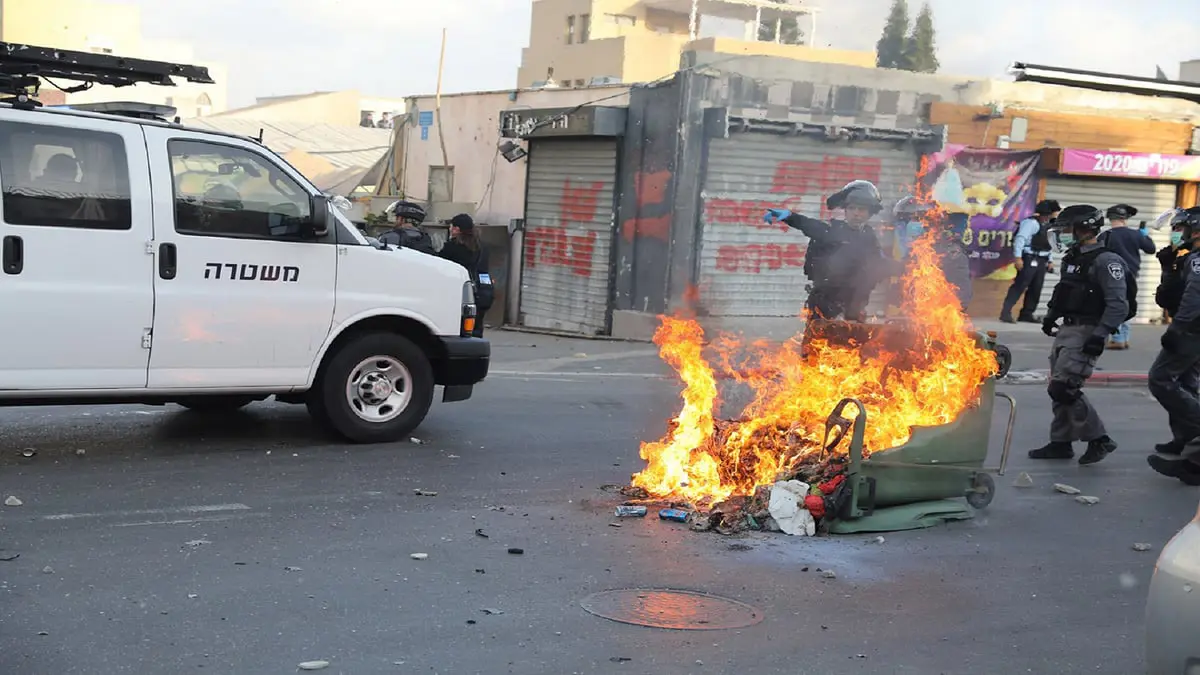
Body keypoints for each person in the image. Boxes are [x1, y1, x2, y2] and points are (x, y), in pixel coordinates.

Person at [1030, 204, 1130, 465]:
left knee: (1065, 387)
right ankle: (1060, 442)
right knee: (1057, 386)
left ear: (1085, 228)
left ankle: (1099, 439)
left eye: (1068, 228)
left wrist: (1101, 334)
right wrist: (1052, 314)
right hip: (1068, 328)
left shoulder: (1106, 261)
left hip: (1088, 330)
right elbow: (1065, 290)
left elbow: (1119, 304)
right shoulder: (1073, 257)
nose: (1063, 234)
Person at [764, 180, 897, 322]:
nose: (856, 213)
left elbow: (879, 264)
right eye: (852, 208)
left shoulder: (869, 237)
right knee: (820, 342)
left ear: (870, 213)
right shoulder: (831, 230)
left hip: (854, 309)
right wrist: (789, 216)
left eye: (861, 209)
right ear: (845, 210)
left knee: (854, 341)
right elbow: (808, 225)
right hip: (825, 307)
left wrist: (909, 267)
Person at [1146, 206, 1200, 485]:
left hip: (1191, 331)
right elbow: (1167, 300)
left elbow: (1194, 298)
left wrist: (1178, 329)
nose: (1176, 233)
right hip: (1191, 329)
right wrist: (1168, 268)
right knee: (1188, 385)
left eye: (1181, 228)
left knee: (1161, 379)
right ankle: (1189, 449)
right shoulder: (1189, 258)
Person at [892, 195, 973, 311]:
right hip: (913, 317)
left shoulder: (951, 253)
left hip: (937, 318)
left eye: (917, 219)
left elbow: (961, 296)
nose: (912, 225)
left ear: (931, 223)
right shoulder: (913, 252)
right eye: (909, 220)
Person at [1097, 204, 1155, 349]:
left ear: (1110, 219)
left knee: (1114, 304)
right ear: (1125, 219)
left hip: (1112, 274)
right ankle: (1125, 337)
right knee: (1127, 304)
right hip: (1131, 275)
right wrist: (1144, 234)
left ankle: (1117, 339)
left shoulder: (1105, 235)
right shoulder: (1136, 234)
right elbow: (1151, 249)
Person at [1000, 199, 1061, 323]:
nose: (1057, 215)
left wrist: (1049, 260)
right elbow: (1020, 239)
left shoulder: (1048, 224)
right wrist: (1018, 258)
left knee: (1036, 288)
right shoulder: (1031, 223)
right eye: (1056, 212)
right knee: (1020, 285)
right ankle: (1005, 313)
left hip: (1042, 259)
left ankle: (1027, 313)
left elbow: (1047, 244)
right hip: (1029, 257)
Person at [439, 213, 493, 338]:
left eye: (451, 227)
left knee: (461, 329)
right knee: (476, 328)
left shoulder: (453, 247)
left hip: (462, 293)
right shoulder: (482, 246)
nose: (450, 230)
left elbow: (440, 265)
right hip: (483, 291)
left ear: (456, 229)